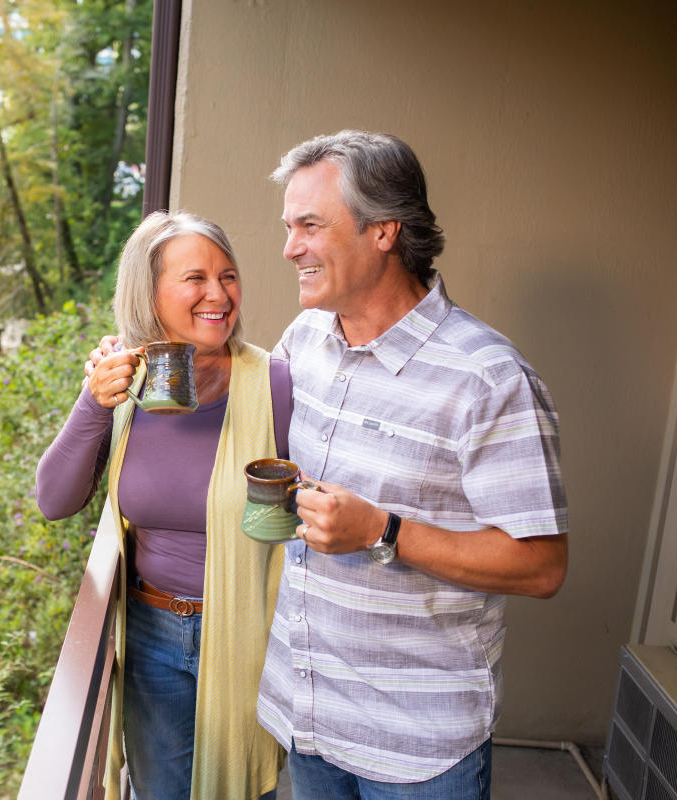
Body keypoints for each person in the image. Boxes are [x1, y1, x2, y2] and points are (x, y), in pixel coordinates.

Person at [257, 130, 569, 800]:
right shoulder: (304, 339)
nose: (290, 249)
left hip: (419, 747)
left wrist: (383, 530)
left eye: (310, 226)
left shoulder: (488, 379)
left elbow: (541, 566)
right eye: (289, 228)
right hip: (308, 716)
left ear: (383, 231)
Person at [36, 209, 292, 800]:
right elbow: (54, 500)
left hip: (249, 627)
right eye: (195, 278)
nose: (218, 294)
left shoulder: (275, 384)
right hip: (151, 634)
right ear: (148, 294)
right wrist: (93, 402)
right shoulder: (125, 383)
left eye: (228, 276)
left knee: (243, 792)